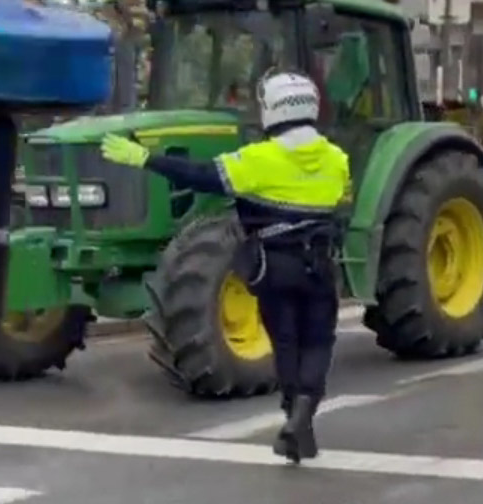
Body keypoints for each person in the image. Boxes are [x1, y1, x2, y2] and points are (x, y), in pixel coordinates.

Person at [100, 71, 351, 464]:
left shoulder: (258, 159)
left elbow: (199, 177)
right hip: (318, 265)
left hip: (273, 265)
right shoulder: (337, 159)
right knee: (318, 341)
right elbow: (339, 199)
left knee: (285, 341)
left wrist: (145, 158)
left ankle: (293, 418)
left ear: (272, 109)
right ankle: (303, 416)